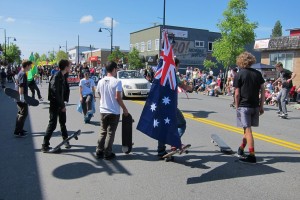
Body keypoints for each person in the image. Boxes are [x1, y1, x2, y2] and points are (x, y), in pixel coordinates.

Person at [157, 58, 193, 158]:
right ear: (174, 65)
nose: (178, 68)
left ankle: (161, 151)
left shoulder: (161, 74)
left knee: (163, 127)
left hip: (160, 105)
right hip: (170, 106)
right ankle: (174, 143)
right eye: (177, 66)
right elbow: (183, 86)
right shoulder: (172, 76)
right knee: (181, 124)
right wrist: (190, 88)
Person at [233, 52, 265, 164]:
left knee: (248, 131)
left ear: (240, 61)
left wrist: (237, 107)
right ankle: (241, 149)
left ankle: (252, 156)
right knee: (245, 130)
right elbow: (263, 90)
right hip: (255, 106)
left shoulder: (239, 74)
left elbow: (237, 93)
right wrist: (261, 106)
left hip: (244, 106)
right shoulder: (258, 74)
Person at [95, 61, 129, 160]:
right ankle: (107, 152)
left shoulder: (101, 81)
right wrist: (125, 109)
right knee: (110, 133)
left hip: (103, 110)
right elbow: (118, 97)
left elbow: (99, 94)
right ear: (114, 69)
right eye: (116, 69)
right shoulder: (117, 81)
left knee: (103, 131)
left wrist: (103, 101)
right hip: (113, 111)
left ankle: (99, 150)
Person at [41, 59, 71, 152]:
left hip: (61, 103)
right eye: (69, 66)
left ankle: (65, 140)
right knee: (52, 124)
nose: (71, 67)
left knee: (63, 122)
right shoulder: (56, 76)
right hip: (55, 104)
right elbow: (55, 92)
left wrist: (64, 102)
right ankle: (45, 145)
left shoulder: (63, 75)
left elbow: (65, 90)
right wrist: (62, 106)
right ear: (66, 67)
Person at [14, 60, 33, 137]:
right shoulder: (23, 74)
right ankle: (18, 131)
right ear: (27, 65)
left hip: (18, 96)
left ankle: (19, 129)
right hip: (21, 97)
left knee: (20, 113)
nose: (31, 67)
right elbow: (21, 85)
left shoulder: (20, 73)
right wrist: (21, 96)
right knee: (23, 113)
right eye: (30, 66)